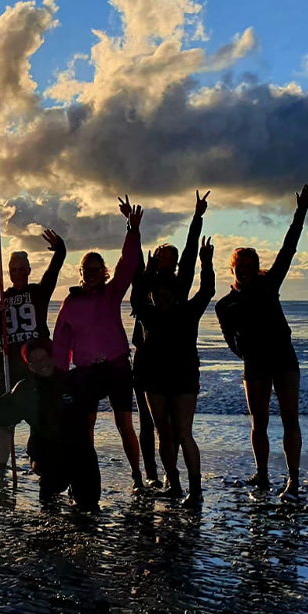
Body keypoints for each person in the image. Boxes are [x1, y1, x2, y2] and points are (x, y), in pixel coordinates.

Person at [216, 183, 308, 501]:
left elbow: (288, 249)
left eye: (249, 266)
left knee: (289, 418)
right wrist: (244, 351)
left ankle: (293, 479)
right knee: (259, 422)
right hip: (255, 364)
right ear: (232, 269)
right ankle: (262, 475)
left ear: (257, 268)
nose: (244, 271)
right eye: (239, 267)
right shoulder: (225, 304)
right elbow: (229, 339)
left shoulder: (270, 283)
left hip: (284, 358)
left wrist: (300, 213)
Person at [51, 197, 146, 491]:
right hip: (85, 373)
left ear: (102, 272)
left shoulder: (111, 292)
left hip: (116, 366)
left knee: (124, 424)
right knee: (85, 427)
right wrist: (58, 377)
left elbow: (127, 264)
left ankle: (137, 477)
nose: (91, 274)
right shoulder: (71, 302)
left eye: (96, 270)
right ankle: (85, 479)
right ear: (80, 273)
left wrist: (132, 229)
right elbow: (61, 343)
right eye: (86, 270)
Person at [130, 190, 208, 487]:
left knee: (174, 426)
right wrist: (133, 229)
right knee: (150, 422)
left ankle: (174, 475)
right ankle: (154, 475)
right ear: (156, 258)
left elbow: (190, 254)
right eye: (163, 257)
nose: (168, 262)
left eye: (171, 259)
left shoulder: (180, 285)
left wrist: (197, 218)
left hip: (176, 360)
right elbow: (137, 277)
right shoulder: (147, 283)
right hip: (147, 357)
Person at [0, 338, 101, 510]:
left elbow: (101, 385)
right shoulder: (27, 389)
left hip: (80, 453)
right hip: (46, 454)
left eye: (43, 358)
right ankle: (48, 503)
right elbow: (3, 415)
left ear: (53, 357)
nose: (41, 364)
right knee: (49, 505)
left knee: (89, 507)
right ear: (29, 366)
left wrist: (100, 365)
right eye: (34, 361)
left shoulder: (73, 380)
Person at [0, 229, 67, 469]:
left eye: (22, 270)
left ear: (29, 271)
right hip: (9, 364)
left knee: (41, 414)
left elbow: (54, 270)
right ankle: (0, 469)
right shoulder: (1, 296)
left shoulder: (38, 293)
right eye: (13, 270)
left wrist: (60, 247)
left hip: (37, 365)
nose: (17, 274)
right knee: (4, 418)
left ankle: (41, 461)